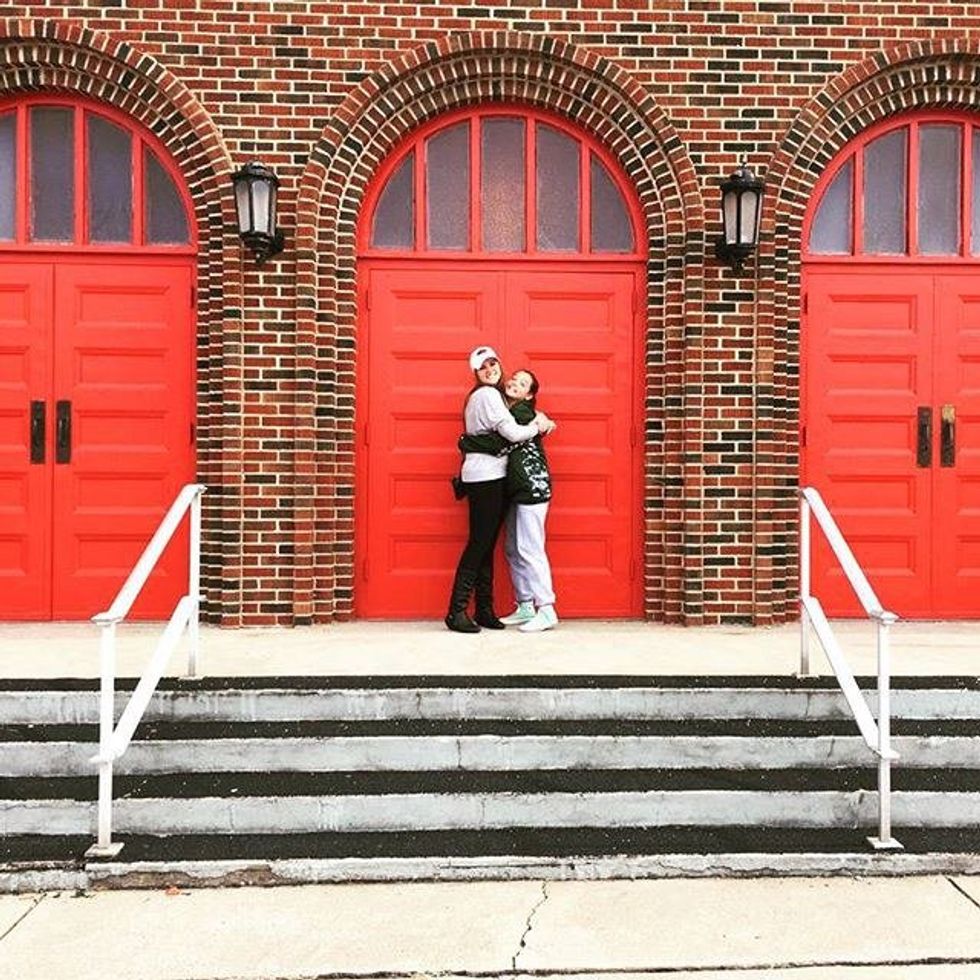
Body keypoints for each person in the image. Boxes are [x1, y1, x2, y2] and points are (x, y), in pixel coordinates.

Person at [445, 346, 554, 634]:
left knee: (486, 543)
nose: (490, 369)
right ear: (476, 372)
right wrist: (537, 426)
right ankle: (456, 610)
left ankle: (484, 609)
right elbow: (513, 433)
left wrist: (538, 415)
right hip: (487, 478)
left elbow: (515, 416)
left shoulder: (489, 397)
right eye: (482, 367)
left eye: (493, 363)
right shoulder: (488, 395)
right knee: (479, 544)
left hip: (486, 476)